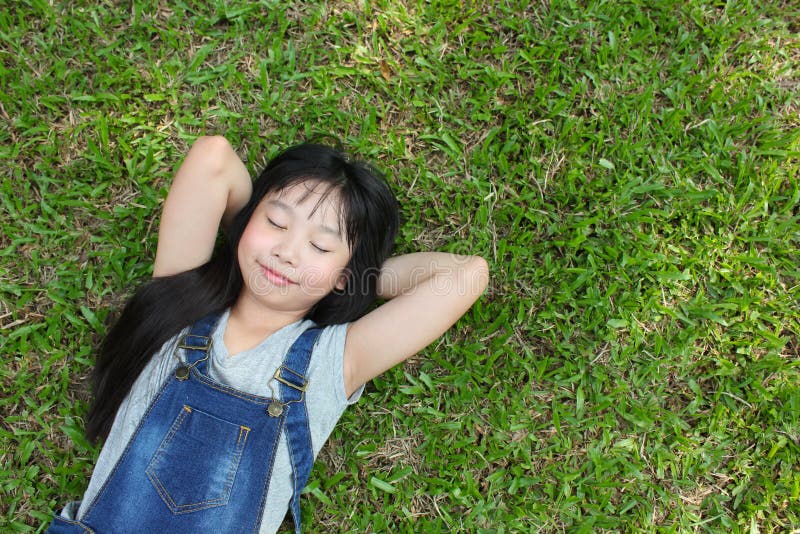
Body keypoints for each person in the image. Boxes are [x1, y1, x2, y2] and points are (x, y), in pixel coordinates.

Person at [46, 136, 489, 533]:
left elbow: (467, 275)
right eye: (276, 223)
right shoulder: (178, 305)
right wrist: (254, 239)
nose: (287, 251)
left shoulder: (331, 360)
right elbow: (212, 159)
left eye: (319, 246)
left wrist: (353, 276)